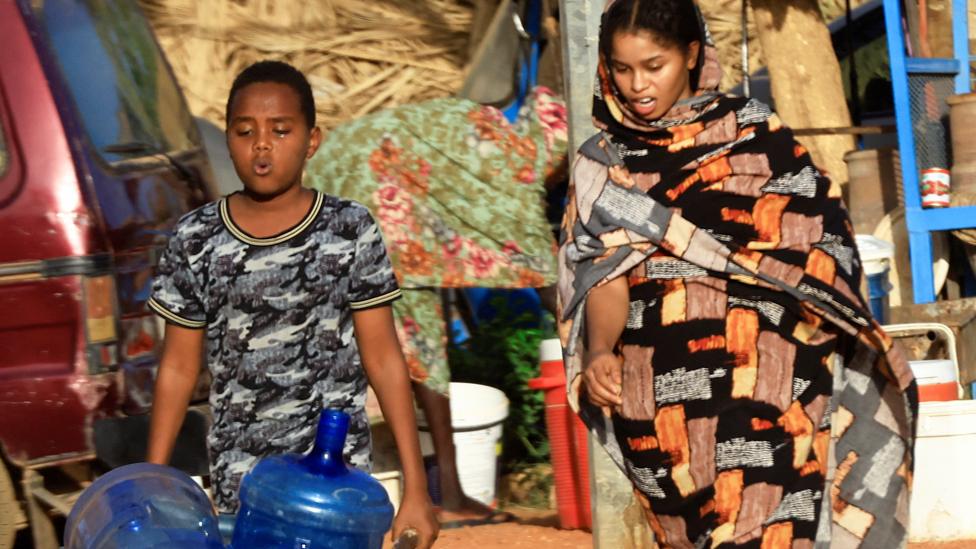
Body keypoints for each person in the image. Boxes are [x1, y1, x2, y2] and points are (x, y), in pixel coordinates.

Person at [557, 1, 917, 547]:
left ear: (692, 55)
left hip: (769, 379)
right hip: (661, 401)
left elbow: (818, 248)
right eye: (622, 68)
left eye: (655, 66)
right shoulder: (602, 162)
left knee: (764, 524)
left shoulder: (755, 137)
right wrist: (601, 350)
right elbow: (604, 271)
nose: (636, 85)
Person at [145, 60, 438, 547]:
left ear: (312, 140)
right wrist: (151, 479)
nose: (262, 145)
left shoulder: (349, 229)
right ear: (228, 139)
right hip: (243, 485)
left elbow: (384, 357)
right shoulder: (196, 238)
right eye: (245, 131)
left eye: (280, 131)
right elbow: (178, 367)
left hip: (334, 485)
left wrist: (415, 487)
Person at [304, 87, 568, 527]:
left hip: (343, 176)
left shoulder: (489, 128)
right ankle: (439, 491)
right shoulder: (511, 159)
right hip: (371, 188)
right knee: (418, 338)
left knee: (417, 338)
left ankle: (446, 488)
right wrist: (595, 342)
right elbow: (544, 272)